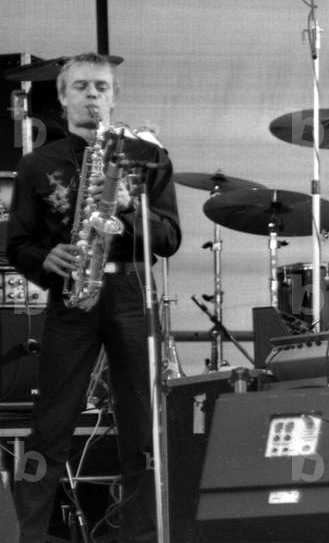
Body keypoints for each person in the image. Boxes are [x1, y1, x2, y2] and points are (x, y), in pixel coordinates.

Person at [6, 52, 181, 543]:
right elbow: (16, 243)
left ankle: (142, 534)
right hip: (71, 296)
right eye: (80, 86)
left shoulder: (149, 157)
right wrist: (47, 260)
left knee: (142, 424)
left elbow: (168, 239)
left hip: (129, 291)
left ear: (114, 96)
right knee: (52, 423)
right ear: (62, 99)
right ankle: (28, 535)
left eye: (102, 87)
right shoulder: (37, 164)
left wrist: (129, 211)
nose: (92, 95)